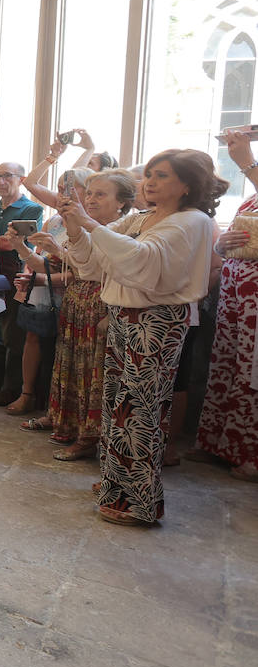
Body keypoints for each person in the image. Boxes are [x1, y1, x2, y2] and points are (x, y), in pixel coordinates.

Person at [62, 149, 225, 525]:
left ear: (188, 185)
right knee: (118, 405)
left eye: (162, 176)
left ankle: (139, 501)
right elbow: (95, 258)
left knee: (141, 410)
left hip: (156, 320)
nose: (150, 182)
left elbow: (142, 261)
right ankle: (116, 485)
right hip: (123, 314)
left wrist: (89, 222)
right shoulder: (143, 217)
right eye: (149, 174)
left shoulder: (191, 221)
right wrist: (75, 223)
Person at [21, 169, 136, 460]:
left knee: (92, 373)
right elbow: (80, 263)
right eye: (90, 193)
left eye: (100, 194)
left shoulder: (124, 228)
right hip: (78, 299)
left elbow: (94, 269)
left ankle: (89, 436)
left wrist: (68, 236)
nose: (92, 199)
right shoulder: (92, 226)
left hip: (101, 302)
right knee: (69, 363)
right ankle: (65, 421)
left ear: (121, 202)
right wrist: (55, 244)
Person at [195, 129, 258, 482]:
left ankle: (249, 452)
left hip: (255, 300)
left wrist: (246, 161)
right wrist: (223, 248)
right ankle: (219, 443)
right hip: (236, 293)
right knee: (226, 365)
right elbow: (229, 244)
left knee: (252, 372)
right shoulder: (251, 198)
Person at [5, 167, 92, 416]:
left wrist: (44, 279)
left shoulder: (89, 226)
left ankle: (58, 406)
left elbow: (82, 271)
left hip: (69, 291)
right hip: (42, 283)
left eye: (72, 188)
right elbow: (40, 254)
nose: (64, 193)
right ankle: (28, 393)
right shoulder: (54, 220)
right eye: (61, 187)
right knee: (32, 338)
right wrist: (29, 275)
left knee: (65, 349)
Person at [0, 162, 44, 406]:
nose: (1, 181)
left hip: (14, 276)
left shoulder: (31, 208)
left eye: (7, 176)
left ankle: (11, 388)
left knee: (13, 334)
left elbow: (16, 244)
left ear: (21, 179)